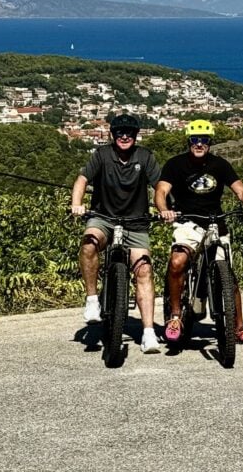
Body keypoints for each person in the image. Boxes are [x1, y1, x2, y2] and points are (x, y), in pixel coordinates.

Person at [154, 119, 243, 347]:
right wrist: (164, 210)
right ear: (189, 141)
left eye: (203, 140)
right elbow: (161, 191)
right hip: (188, 223)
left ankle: (239, 329)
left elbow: (240, 190)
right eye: (195, 140)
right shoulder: (175, 165)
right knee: (177, 262)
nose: (199, 144)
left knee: (230, 280)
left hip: (216, 223)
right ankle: (175, 317)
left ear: (209, 142)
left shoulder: (220, 165)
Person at [70, 113, 163, 354]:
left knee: (144, 270)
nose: (125, 136)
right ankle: (92, 299)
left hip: (136, 221)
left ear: (135, 135)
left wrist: (166, 209)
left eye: (129, 133)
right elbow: (82, 179)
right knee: (89, 243)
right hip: (103, 217)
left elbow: (160, 187)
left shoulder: (145, 156)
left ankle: (148, 332)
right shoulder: (101, 155)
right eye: (120, 132)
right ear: (113, 135)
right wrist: (77, 203)